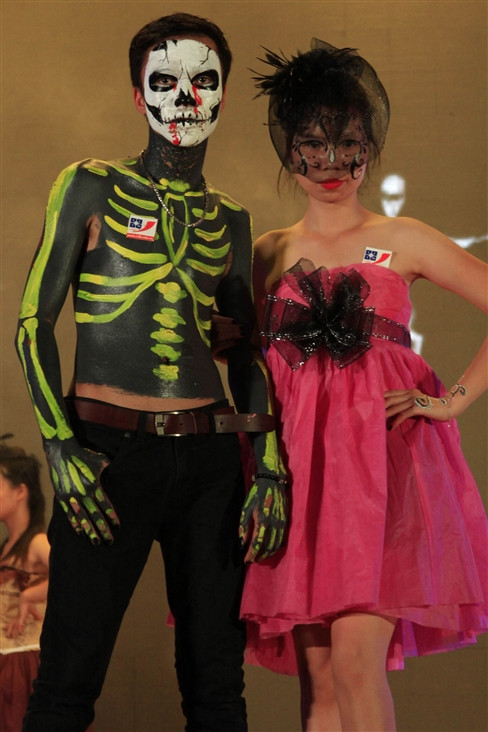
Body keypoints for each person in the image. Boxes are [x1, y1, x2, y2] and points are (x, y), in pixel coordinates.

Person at [15, 12, 287, 732]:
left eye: (205, 81)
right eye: (165, 82)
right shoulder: (89, 185)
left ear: (223, 93)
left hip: (208, 461)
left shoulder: (231, 218)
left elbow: (243, 353)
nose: (187, 99)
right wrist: (60, 446)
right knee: (67, 681)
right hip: (107, 452)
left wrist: (269, 469)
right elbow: (33, 323)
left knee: (218, 684)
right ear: (139, 96)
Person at [240, 40, 488, 731]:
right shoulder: (268, 251)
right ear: (289, 149)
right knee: (319, 681)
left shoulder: (404, 236)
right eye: (312, 145)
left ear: (369, 148)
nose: (330, 162)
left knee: (356, 666)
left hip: (380, 479)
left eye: (347, 144)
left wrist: (450, 402)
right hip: (300, 476)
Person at [0, 436, 50, 732]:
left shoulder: (38, 543)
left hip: (24, 666)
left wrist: (30, 594)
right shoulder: (7, 547)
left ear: (20, 491)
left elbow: (74, 579)